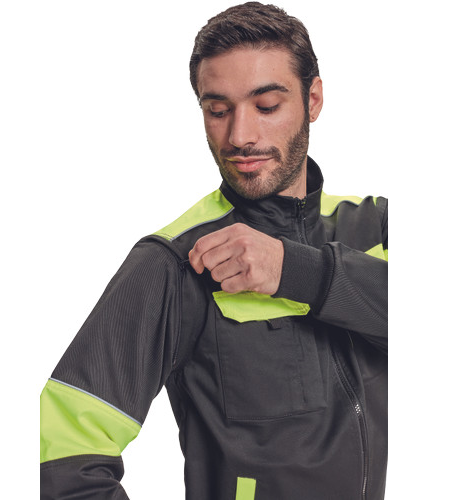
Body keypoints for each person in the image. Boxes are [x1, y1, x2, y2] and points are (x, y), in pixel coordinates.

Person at [40, 2, 388, 499]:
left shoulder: (374, 224)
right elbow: (61, 454)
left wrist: (296, 271)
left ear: (312, 100)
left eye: (266, 106)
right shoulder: (176, 261)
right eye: (218, 110)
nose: (240, 136)